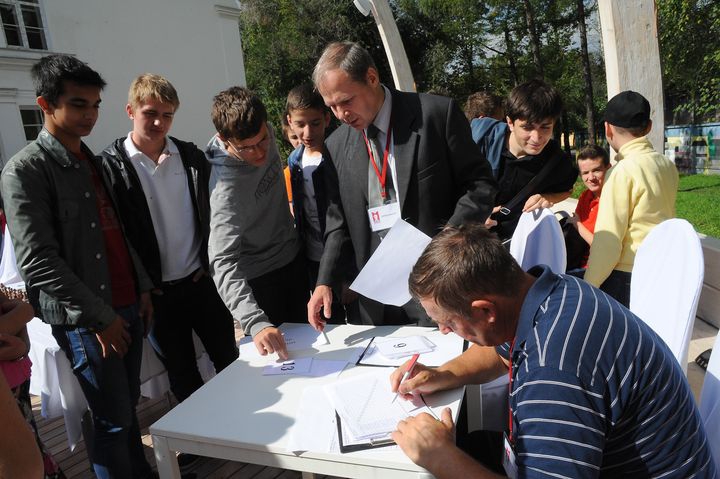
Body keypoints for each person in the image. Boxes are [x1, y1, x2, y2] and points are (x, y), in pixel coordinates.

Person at [390, 223, 716, 478]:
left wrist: (440, 457)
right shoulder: (551, 293)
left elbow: (551, 375)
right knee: (471, 439)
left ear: (485, 311)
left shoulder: (553, 369)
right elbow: (502, 351)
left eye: (447, 321)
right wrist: (442, 373)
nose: (444, 331)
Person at [0, 54, 155, 478]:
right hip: (87, 320)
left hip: (126, 305)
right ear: (45, 104)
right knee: (112, 421)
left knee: (126, 411)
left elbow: (118, 232)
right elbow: (38, 263)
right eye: (78, 104)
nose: (90, 114)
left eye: (95, 105)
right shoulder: (25, 172)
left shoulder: (94, 161)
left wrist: (141, 287)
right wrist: (100, 317)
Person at [307, 41, 497, 329]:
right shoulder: (336, 145)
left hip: (437, 285)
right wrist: (325, 281)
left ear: (372, 78)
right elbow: (338, 224)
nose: (340, 115)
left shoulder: (435, 115)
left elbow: (479, 185)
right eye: (331, 106)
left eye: (346, 101)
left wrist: (447, 243)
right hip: (375, 298)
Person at [99, 74, 238, 404]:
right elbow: (117, 237)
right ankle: (199, 431)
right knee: (182, 375)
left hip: (201, 282)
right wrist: (142, 287)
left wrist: (210, 264)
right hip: (156, 297)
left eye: (167, 114)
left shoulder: (191, 157)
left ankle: (244, 425)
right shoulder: (110, 166)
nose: (159, 122)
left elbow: (215, 214)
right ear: (130, 111)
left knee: (230, 362)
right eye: (150, 113)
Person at [207, 86, 309, 361]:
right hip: (261, 281)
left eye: (263, 140)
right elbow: (221, 262)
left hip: (293, 259)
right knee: (287, 362)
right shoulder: (225, 191)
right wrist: (255, 321)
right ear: (224, 140)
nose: (260, 152)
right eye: (246, 148)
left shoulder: (265, 132)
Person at [584, 91, 679, 307]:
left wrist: (589, 286)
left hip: (625, 277)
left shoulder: (621, 172)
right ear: (648, 127)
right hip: (659, 268)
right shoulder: (666, 165)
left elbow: (608, 241)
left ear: (608, 129)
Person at [472, 79, 577, 240]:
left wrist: (547, 197)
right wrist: (472, 214)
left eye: (545, 127)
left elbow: (566, 190)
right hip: (469, 239)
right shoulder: (479, 143)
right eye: (527, 127)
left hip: (516, 244)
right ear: (510, 122)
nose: (536, 137)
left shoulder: (556, 160)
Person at [286, 83, 354, 324]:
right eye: (300, 124)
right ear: (289, 122)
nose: (307, 132)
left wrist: (350, 274)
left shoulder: (340, 155)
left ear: (326, 118)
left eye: (314, 123)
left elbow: (348, 217)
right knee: (329, 322)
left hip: (346, 261)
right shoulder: (294, 161)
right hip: (314, 259)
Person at [0, 291, 64, 478]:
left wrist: (22, 344)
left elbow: (12, 308)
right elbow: (22, 312)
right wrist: (23, 312)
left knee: (30, 436)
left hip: (16, 379)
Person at [568, 144, 611, 270]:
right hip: (578, 262)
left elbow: (603, 248)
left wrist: (578, 225)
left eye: (596, 170)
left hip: (599, 268)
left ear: (609, 168)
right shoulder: (585, 196)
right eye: (585, 173)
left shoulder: (613, 200)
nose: (591, 178)